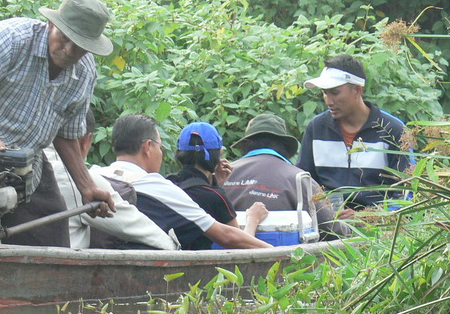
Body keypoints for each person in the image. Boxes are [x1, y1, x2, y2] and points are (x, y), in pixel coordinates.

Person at [0, 0, 116, 246]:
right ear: (51, 25)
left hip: (25, 155)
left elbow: (66, 135)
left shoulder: (85, 72)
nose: (68, 50)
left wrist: (86, 186)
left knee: (51, 234)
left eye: (79, 47)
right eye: (64, 39)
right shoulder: (13, 38)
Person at [99, 114, 272, 250]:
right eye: (160, 147)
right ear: (147, 147)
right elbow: (229, 237)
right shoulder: (160, 187)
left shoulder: (96, 177)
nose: (161, 153)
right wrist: (257, 225)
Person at [44, 110, 178, 250]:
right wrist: (175, 248)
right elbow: (141, 230)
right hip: (63, 268)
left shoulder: (30, 164)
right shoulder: (84, 181)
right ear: (86, 141)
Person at [298, 54, 411, 217]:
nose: (329, 101)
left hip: (378, 232)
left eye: (335, 93)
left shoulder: (393, 130)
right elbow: (304, 183)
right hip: (328, 226)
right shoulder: (316, 128)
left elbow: (407, 191)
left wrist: (371, 218)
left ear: (357, 90)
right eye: (324, 93)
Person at [222, 114, 350, 240]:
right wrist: (348, 226)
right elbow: (330, 229)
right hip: (287, 257)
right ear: (285, 147)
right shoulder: (300, 179)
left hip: (222, 251)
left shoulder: (223, 173)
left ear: (245, 145)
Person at [166, 121, 269, 250]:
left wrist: (215, 183)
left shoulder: (168, 183)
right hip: (195, 266)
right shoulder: (213, 197)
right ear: (216, 156)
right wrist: (253, 218)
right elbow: (240, 245)